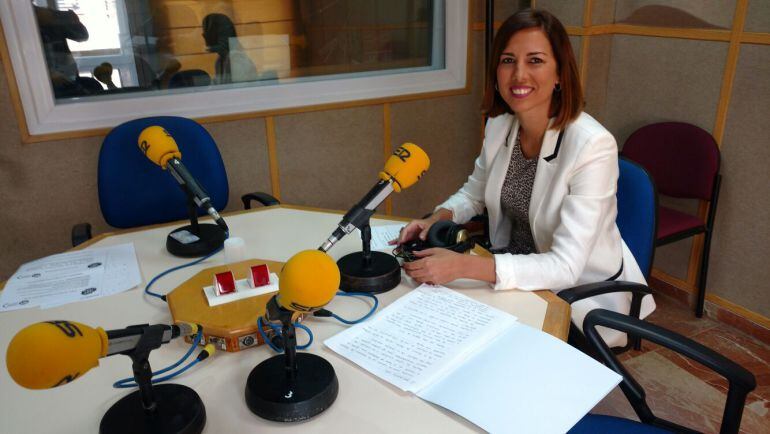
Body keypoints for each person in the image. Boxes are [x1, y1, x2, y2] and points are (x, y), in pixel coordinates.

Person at [396, 9, 655, 347]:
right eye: (508, 60)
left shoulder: (593, 145)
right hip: (512, 274)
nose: (518, 75)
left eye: (535, 60)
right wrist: (438, 217)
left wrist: (464, 267)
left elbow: (565, 266)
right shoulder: (499, 126)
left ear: (560, 72)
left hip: (574, 297)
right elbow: (474, 194)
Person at [202, 13, 257, 85]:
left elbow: (239, 92)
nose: (203, 35)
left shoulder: (236, 60)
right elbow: (217, 86)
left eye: (206, 31)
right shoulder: (220, 60)